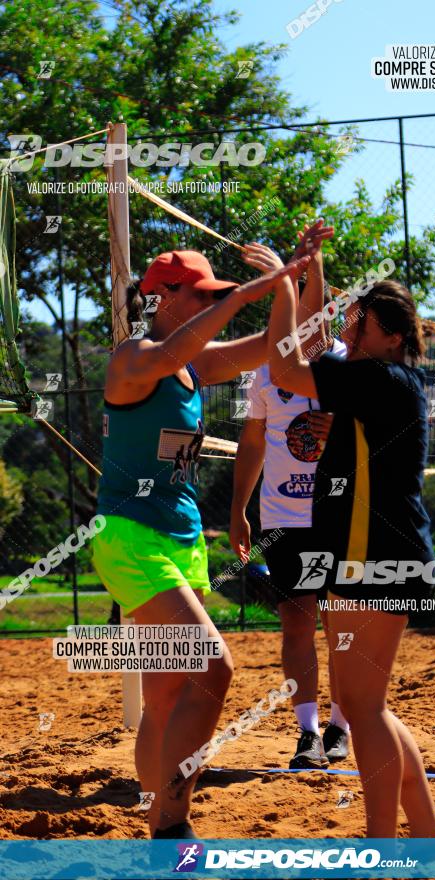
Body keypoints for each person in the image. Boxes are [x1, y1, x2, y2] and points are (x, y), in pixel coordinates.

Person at [92, 248, 309, 839]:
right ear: (162, 298)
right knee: (213, 667)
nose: (215, 300)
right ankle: (172, 825)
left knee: (165, 698)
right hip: (131, 538)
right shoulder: (134, 358)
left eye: (219, 293)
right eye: (204, 294)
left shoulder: (197, 366)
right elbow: (169, 352)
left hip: (181, 537)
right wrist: (245, 294)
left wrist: (289, 286)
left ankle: (151, 813)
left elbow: (279, 350)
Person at [267, 224, 435, 838]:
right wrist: (310, 270)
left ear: (391, 336)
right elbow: (315, 351)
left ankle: (382, 847)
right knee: (371, 708)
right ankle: (428, 840)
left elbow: (288, 364)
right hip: (372, 555)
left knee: (365, 710)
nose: (349, 326)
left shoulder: (378, 379)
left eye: (360, 320)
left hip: (378, 557)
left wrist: (282, 287)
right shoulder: (381, 378)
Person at [230, 232, 349, 770]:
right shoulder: (267, 371)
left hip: (343, 518)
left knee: (343, 627)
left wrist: (312, 265)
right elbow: (252, 441)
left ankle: (341, 728)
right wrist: (238, 510)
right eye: (299, 311)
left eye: (318, 311)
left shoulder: (350, 367)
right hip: (281, 517)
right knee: (297, 623)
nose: (309, 320)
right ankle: (306, 735)